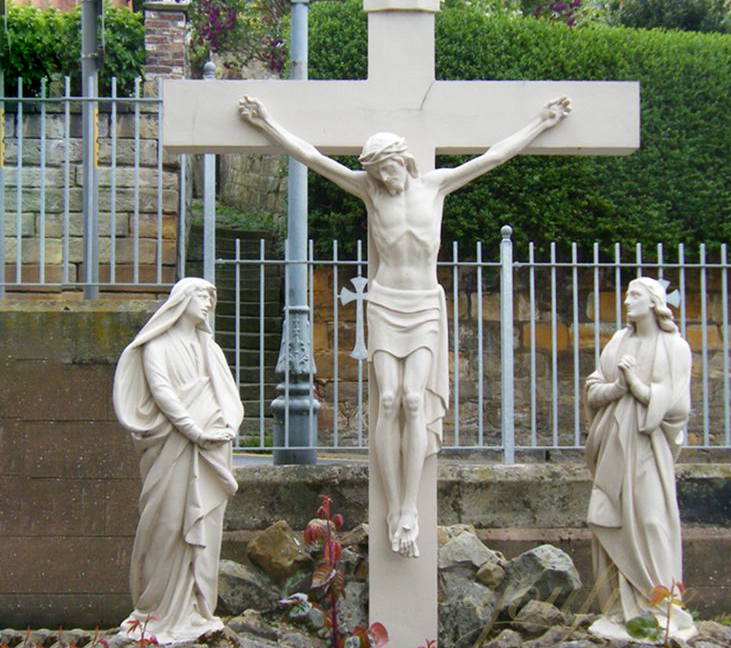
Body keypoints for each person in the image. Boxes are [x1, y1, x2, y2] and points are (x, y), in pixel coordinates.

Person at [239, 95, 570, 558]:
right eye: (375, 172)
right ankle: (393, 506)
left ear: (402, 160)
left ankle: (409, 507)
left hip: (423, 305)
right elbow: (311, 156)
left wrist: (541, 122)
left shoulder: (435, 186)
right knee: (389, 400)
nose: (382, 179)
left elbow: (494, 156)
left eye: (386, 169)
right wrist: (267, 122)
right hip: (386, 302)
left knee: (415, 400)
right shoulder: (369, 191)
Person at [113, 278, 243, 643]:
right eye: (200, 296)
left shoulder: (209, 348)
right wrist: (194, 430)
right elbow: (163, 394)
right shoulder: (157, 346)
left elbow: (228, 396)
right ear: (181, 300)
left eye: (210, 299)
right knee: (167, 523)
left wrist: (225, 427)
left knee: (204, 528)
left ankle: (196, 610)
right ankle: (154, 610)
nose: (206, 303)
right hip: (174, 445)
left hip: (209, 449)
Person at [585, 277, 696, 640]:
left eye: (634, 295)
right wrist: (617, 387)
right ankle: (618, 608)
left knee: (652, 520)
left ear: (654, 302)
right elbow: (593, 389)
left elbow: (678, 406)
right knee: (609, 519)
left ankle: (662, 607)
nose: (626, 301)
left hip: (648, 447)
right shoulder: (619, 341)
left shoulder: (674, 347)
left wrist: (638, 386)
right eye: (627, 294)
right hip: (615, 444)